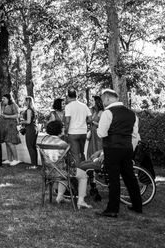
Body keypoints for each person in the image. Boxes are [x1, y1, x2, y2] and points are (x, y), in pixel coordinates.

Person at [96, 88, 142, 217]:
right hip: (127, 149)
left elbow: (102, 133)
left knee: (114, 179)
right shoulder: (132, 114)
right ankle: (137, 205)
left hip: (112, 148)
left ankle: (112, 209)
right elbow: (135, 135)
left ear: (108, 98)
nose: (103, 102)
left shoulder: (107, 112)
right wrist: (130, 148)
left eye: (103, 99)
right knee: (130, 177)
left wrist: (97, 128)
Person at [39, 120, 92, 209]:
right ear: (59, 130)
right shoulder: (62, 144)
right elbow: (70, 161)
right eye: (62, 127)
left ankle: (60, 197)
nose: (64, 128)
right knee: (83, 175)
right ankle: (81, 201)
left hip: (47, 171)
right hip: (61, 172)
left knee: (62, 169)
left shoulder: (43, 140)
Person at [64, 89, 91, 164]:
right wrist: (84, 122)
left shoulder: (68, 106)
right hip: (83, 132)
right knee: (82, 153)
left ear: (68, 96)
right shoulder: (84, 105)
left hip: (73, 132)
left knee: (75, 154)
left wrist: (65, 131)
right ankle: (85, 170)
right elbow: (90, 118)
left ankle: (79, 173)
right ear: (76, 96)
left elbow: (67, 121)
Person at [0, 93, 21, 166]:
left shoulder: (14, 105)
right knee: (6, 142)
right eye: (2, 98)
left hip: (11, 126)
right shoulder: (4, 105)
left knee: (10, 142)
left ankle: (16, 159)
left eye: (4, 98)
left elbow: (17, 115)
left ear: (9, 99)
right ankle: (9, 159)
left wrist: (7, 116)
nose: (3, 100)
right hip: (5, 126)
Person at [20, 96, 37, 169]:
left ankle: (33, 165)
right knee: (33, 147)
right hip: (33, 128)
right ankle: (35, 164)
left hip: (30, 128)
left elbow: (28, 121)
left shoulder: (29, 110)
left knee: (30, 146)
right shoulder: (32, 110)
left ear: (28, 102)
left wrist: (21, 121)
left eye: (25, 101)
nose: (24, 102)